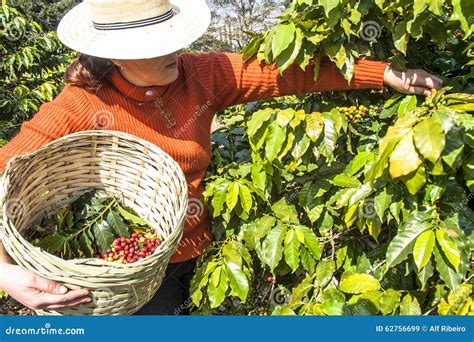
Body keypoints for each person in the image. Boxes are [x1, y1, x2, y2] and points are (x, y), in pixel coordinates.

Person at [0, 0, 443, 315]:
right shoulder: (80, 105)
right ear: (119, 54)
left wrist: (382, 73)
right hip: (125, 278)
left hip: (198, 251)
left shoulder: (200, 74)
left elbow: (282, 72)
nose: (178, 50)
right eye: (160, 43)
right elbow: (6, 169)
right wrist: (5, 274)